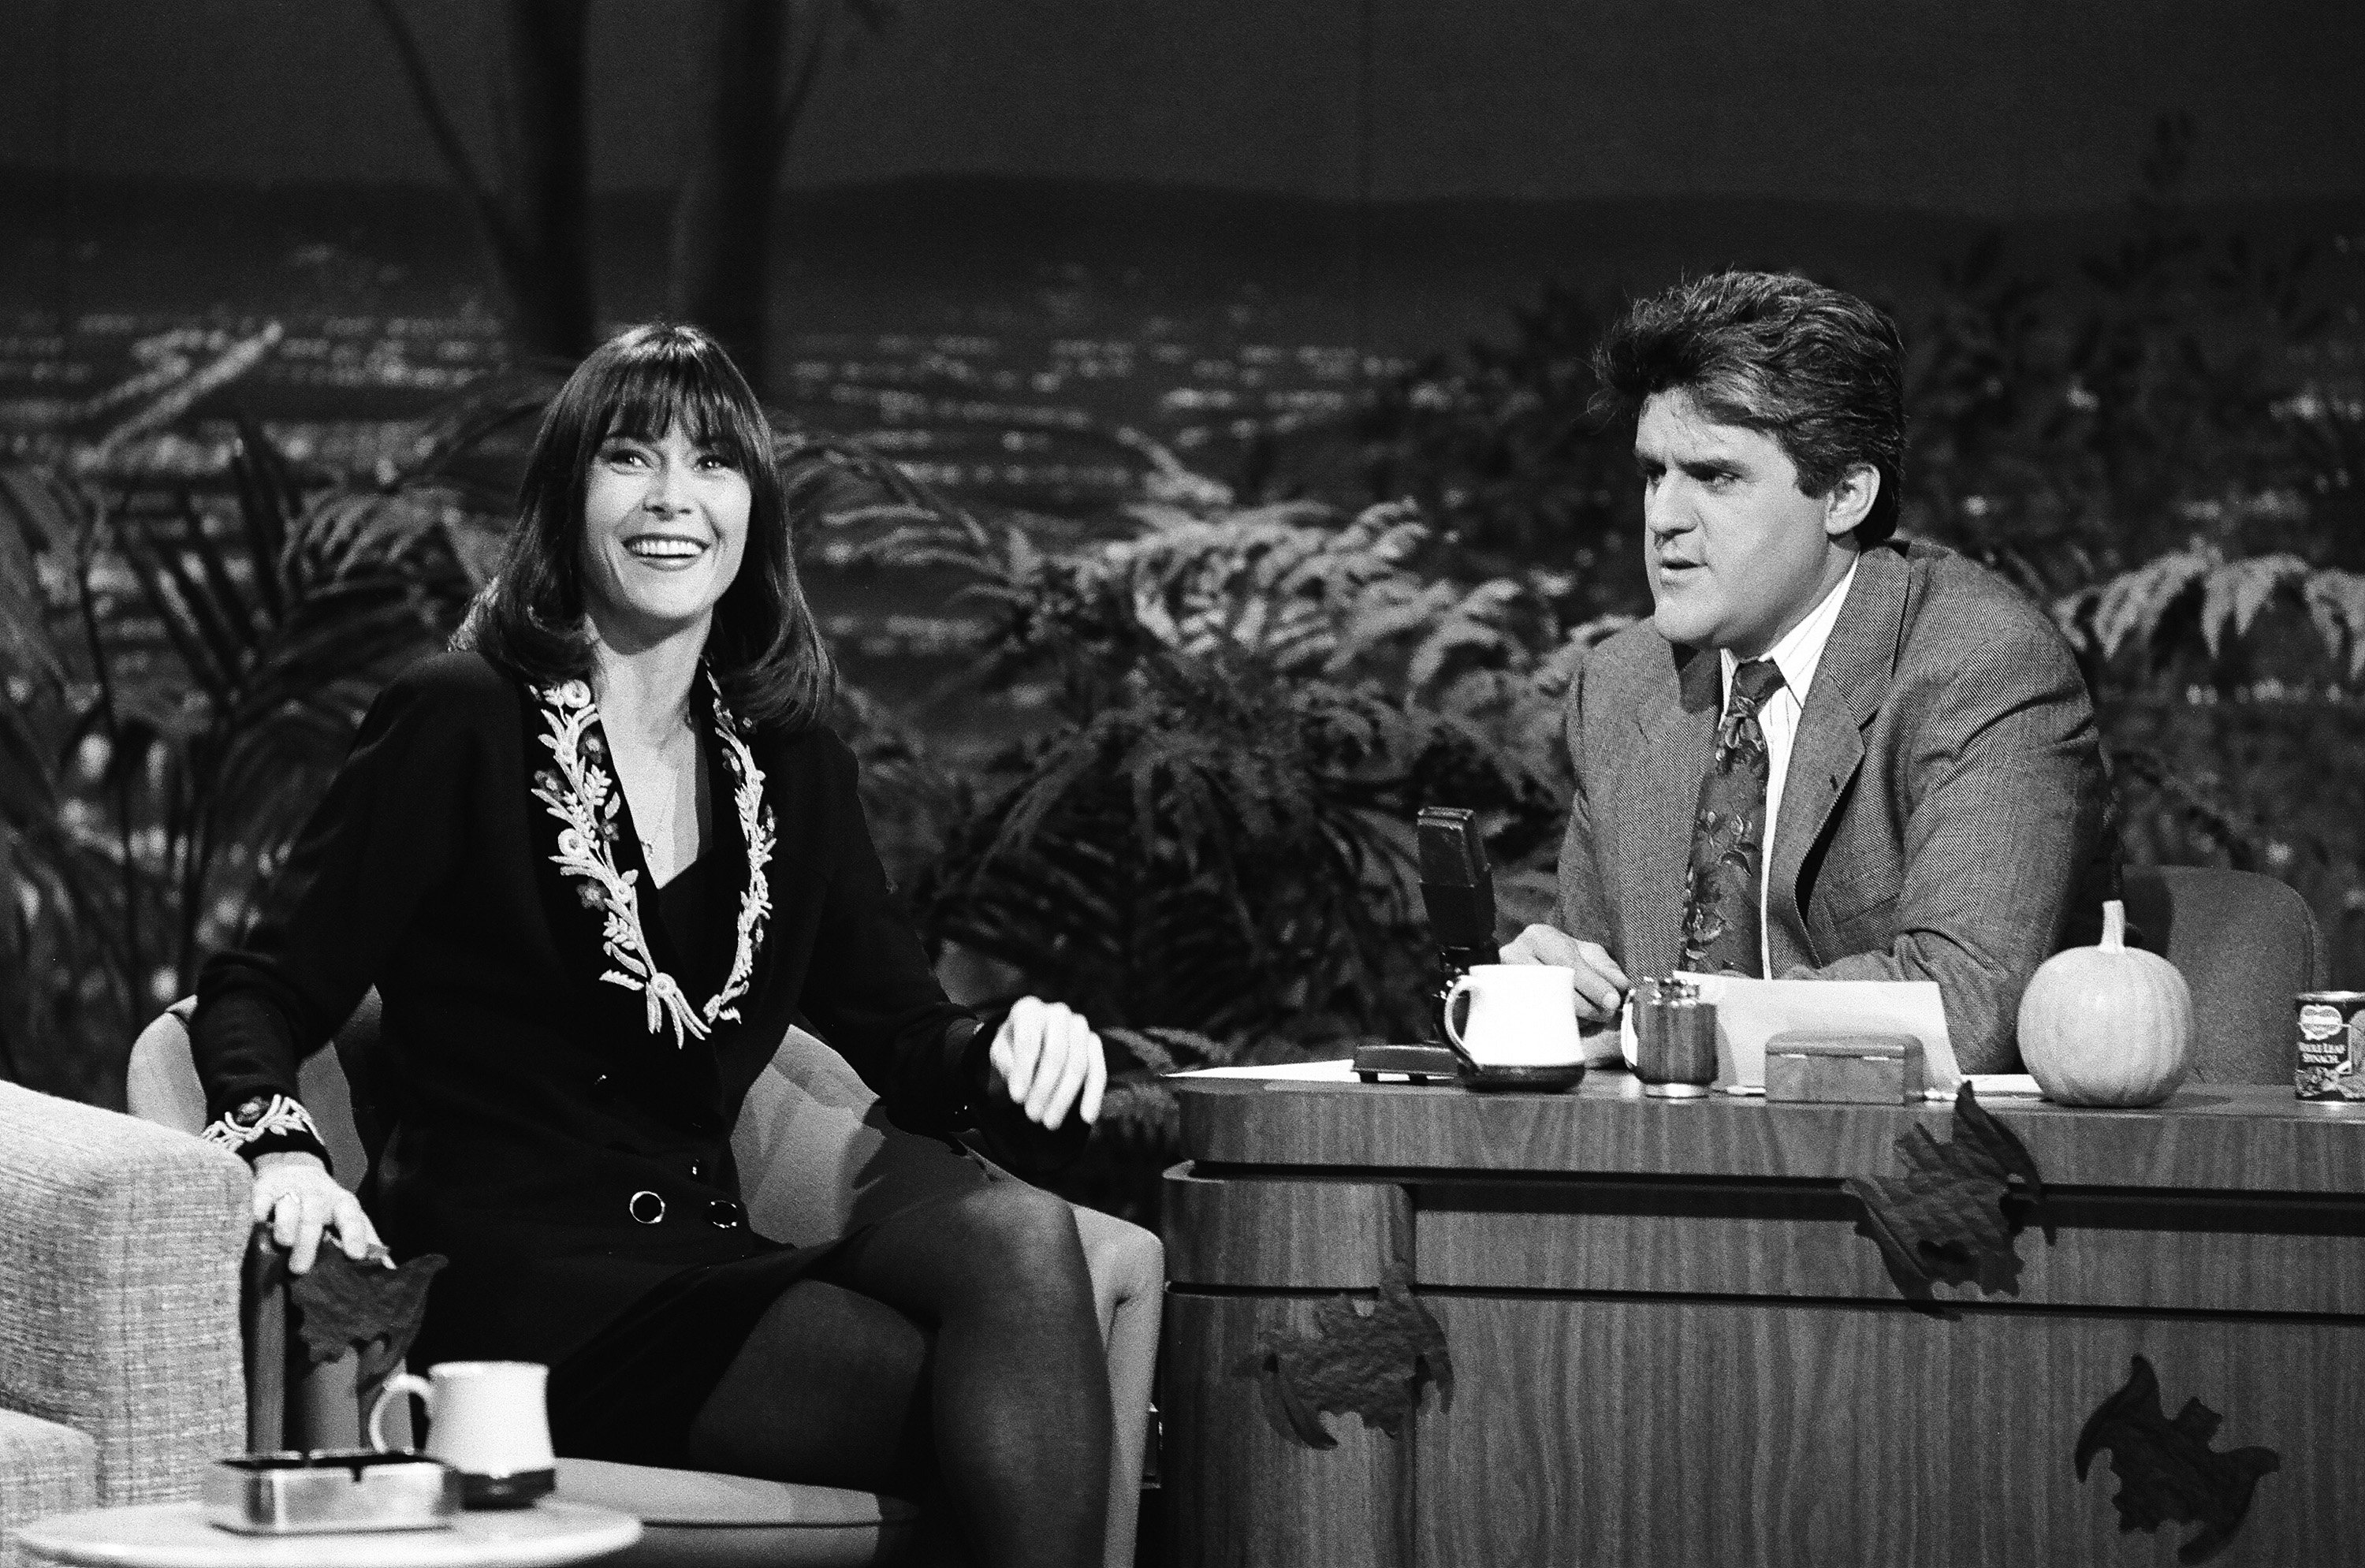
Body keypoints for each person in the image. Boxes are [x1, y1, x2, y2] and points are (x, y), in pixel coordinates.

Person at [191, 322, 1112, 1566]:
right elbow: (260, 985)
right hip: (516, 1288)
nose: (674, 500)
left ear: (755, 512)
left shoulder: (794, 768)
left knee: (1019, 1237)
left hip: (705, 1260)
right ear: (570, 498)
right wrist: (284, 1158)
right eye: (631, 459)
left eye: (714, 466)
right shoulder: (455, 720)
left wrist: (1010, 1042)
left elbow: (903, 1032)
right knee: (983, 1411)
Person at [1501, 270, 2114, 1073]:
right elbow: (1606, 1006)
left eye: (1715, 476)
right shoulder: (1621, 687)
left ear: (1846, 495)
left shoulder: (1982, 671)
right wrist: (1550, 1000)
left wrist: (1671, 1027)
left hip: (1902, 1180)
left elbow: (1963, 1009)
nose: (1663, 517)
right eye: (1655, 473)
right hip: (1661, 1165)